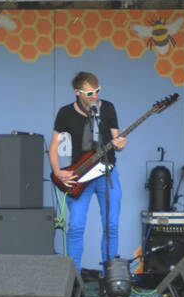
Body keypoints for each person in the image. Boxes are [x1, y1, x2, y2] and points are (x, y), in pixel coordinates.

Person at [49, 71, 127, 274]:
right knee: (75, 226)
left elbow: (116, 140)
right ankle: (73, 278)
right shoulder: (65, 113)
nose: (95, 96)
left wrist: (120, 144)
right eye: (89, 92)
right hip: (80, 174)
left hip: (106, 173)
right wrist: (57, 171)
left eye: (97, 91)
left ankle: (110, 277)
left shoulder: (107, 108)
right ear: (77, 92)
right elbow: (54, 146)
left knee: (111, 225)